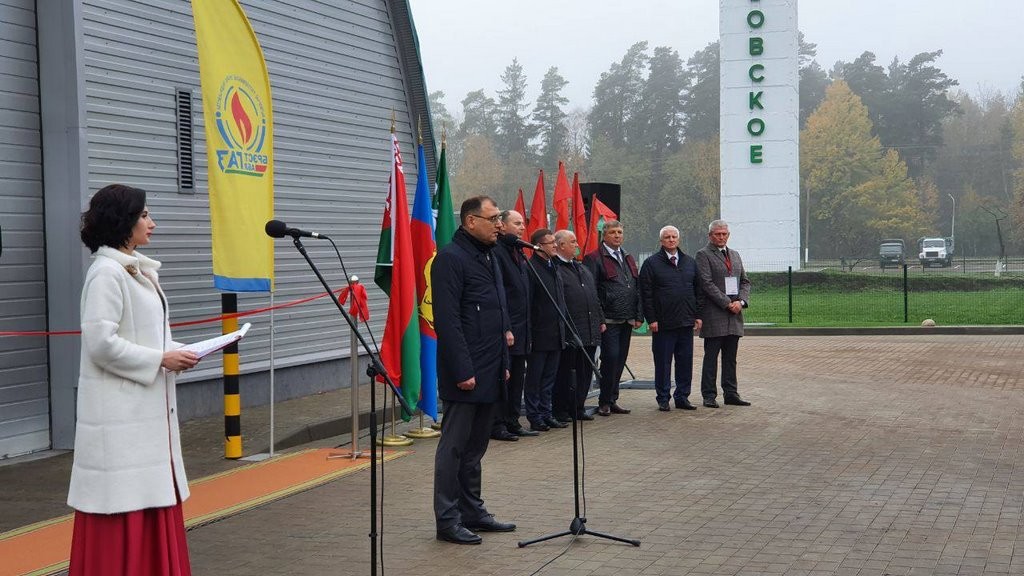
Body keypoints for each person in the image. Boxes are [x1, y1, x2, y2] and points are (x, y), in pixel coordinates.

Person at [68, 184, 200, 575]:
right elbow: (100, 344)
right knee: (126, 511)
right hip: (122, 423)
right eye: (144, 215)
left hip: (142, 423)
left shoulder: (133, 269)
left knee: (148, 503)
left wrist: (181, 351)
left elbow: (145, 336)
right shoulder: (107, 274)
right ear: (123, 221)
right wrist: (161, 359)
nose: (152, 223)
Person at [431, 195, 516, 545]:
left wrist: (505, 363)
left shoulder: (491, 256)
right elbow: (448, 321)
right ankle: (447, 518)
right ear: (470, 221)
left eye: (499, 218)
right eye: (493, 218)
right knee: (453, 448)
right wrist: (463, 370)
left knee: (476, 447)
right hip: (464, 373)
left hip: (491, 365)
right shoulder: (450, 259)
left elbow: (500, 312)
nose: (499, 224)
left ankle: (472, 511)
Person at [639, 225, 704, 412]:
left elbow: (698, 291)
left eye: (674, 236)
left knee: (685, 362)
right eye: (667, 237)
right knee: (663, 363)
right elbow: (646, 293)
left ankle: (682, 397)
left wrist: (698, 315)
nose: (671, 240)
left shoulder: (690, 263)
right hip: (663, 324)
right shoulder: (651, 264)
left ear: (679, 239)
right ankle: (663, 398)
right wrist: (651, 319)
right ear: (661, 241)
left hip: (685, 322)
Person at [583, 220, 643, 417]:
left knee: (620, 360)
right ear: (605, 235)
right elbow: (591, 291)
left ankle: (613, 399)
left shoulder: (627, 257)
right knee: (610, 359)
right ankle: (604, 401)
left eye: (620, 232)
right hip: (608, 319)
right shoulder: (594, 258)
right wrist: (599, 318)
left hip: (626, 319)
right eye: (613, 232)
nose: (617, 235)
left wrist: (638, 314)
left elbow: (636, 287)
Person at [489, 209, 538, 440]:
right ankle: (497, 424)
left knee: (518, 376)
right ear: (503, 225)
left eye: (523, 223)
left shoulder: (518, 251)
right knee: (505, 378)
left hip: (523, 327)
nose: (522, 227)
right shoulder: (497, 252)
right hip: (507, 328)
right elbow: (500, 295)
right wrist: (506, 326)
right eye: (517, 223)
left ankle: (512, 420)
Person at [696, 219, 752, 407]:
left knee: (730, 358)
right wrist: (727, 303)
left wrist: (741, 302)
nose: (721, 237)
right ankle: (709, 395)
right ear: (710, 236)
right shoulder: (703, 255)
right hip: (715, 314)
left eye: (724, 234)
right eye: (717, 234)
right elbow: (706, 283)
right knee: (711, 358)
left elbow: (745, 281)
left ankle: (731, 393)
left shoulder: (735, 255)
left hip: (734, 315)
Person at [552, 230, 604, 422]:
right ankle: (562, 410)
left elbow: (593, 296)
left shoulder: (581, 267)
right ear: (560, 245)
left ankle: (578, 407)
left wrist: (601, 320)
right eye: (572, 242)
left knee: (584, 372)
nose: (576, 245)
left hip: (590, 329)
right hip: (570, 331)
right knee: (566, 373)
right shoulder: (555, 268)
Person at [522, 228, 569, 432]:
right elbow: (528, 304)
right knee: (535, 378)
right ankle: (535, 416)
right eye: (551, 243)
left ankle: (546, 413)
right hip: (539, 335)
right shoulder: (530, 269)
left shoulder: (554, 267)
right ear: (539, 246)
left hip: (556, 333)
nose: (555, 246)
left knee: (549, 378)